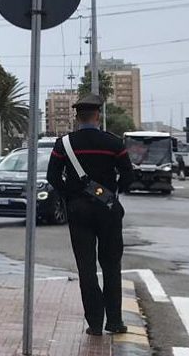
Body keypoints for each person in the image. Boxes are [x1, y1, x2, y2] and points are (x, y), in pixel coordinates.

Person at [47, 93, 133, 336]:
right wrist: (112, 193)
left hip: (79, 211)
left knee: (86, 267)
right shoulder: (114, 143)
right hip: (107, 210)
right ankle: (114, 321)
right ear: (98, 115)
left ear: (77, 116)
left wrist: (70, 196)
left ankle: (94, 323)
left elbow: (52, 177)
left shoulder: (64, 145)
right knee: (111, 265)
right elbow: (128, 176)